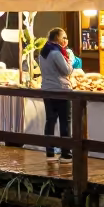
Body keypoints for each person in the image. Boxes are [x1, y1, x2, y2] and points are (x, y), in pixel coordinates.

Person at [39, 27, 73, 162]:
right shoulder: (56, 53)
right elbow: (67, 71)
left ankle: (50, 152)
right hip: (61, 90)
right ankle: (66, 153)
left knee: (50, 121)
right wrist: (70, 59)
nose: (66, 40)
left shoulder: (43, 52)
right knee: (65, 121)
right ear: (57, 38)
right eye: (64, 37)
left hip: (47, 90)